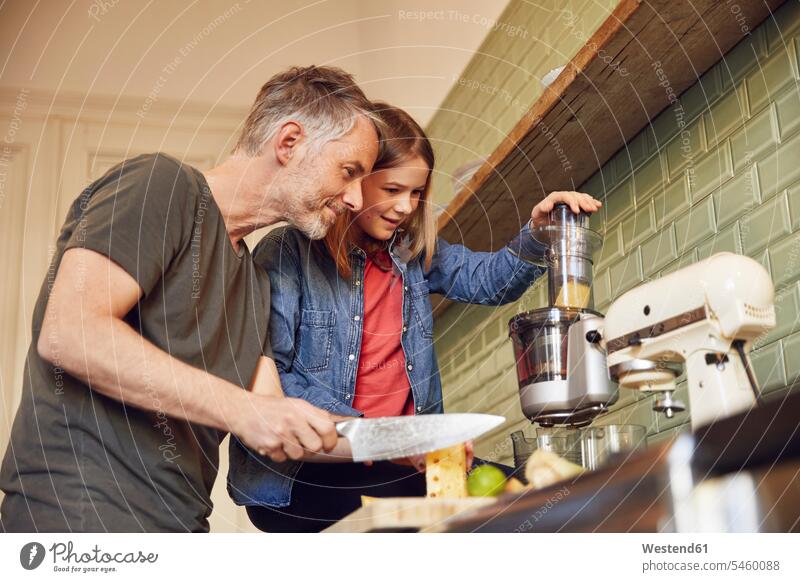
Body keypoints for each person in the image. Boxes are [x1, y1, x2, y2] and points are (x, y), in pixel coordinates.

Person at [0, 66, 381, 532]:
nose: (357, 198)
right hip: (79, 516)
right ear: (289, 142)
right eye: (349, 171)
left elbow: (281, 419)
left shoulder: (255, 283)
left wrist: (399, 443)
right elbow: (70, 333)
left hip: (180, 528)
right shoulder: (160, 185)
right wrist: (244, 410)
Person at [228, 103, 602, 532]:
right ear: (356, 180)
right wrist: (389, 437)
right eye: (392, 189)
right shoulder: (287, 253)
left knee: (545, 499)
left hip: (406, 464)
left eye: (417, 193)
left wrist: (538, 234)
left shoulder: (409, 252)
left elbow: (489, 281)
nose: (406, 206)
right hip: (306, 476)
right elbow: (277, 380)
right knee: (482, 518)